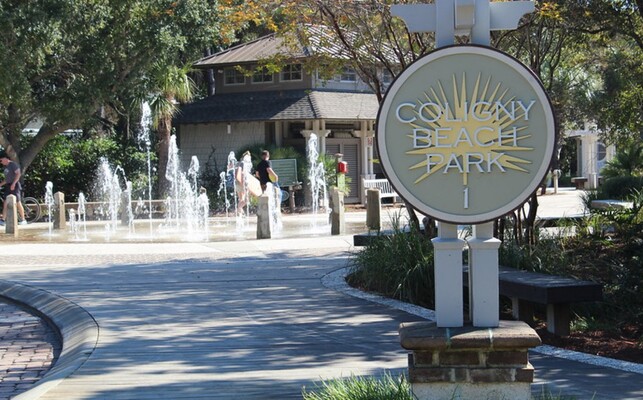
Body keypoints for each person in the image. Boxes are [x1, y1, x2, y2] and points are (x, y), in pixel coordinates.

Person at [0, 151, 27, 225]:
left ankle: (23, 219)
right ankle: (3, 220)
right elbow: (7, 179)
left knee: (18, 202)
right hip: (8, 185)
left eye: (1, 160)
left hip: (15, 186)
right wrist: (0, 185)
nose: (1, 162)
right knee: (5, 202)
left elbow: (18, 174)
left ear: (5, 158)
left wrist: (14, 183)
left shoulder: (13, 164)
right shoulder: (6, 167)